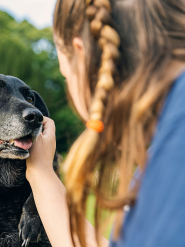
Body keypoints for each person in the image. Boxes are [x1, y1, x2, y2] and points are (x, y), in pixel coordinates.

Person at [26, 0, 185, 246]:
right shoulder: (165, 145)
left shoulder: (175, 151)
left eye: (66, 75)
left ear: (81, 53)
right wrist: (41, 173)